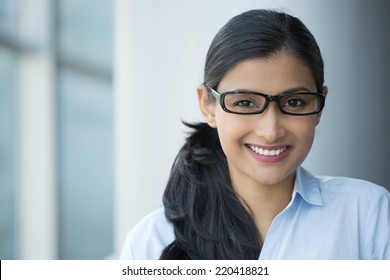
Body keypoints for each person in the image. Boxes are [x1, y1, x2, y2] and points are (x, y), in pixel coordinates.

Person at [119, 9, 390, 260]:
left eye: (295, 102)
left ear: (320, 105)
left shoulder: (366, 214)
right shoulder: (150, 242)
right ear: (207, 105)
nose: (271, 131)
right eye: (245, 103)